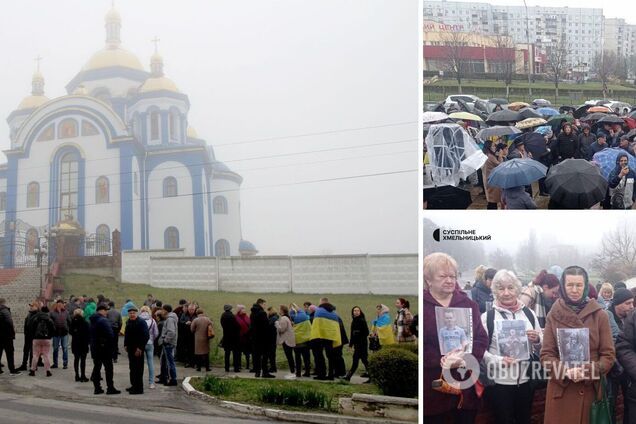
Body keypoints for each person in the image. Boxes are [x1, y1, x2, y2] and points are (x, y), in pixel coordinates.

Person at [540, 266, 615, 424]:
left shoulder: (600, 315)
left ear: (586, 285)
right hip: (561, 391)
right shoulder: (553, 314)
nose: (574, 290)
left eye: (579, 285)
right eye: (570, 285)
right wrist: (565, 371)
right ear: (563, 286)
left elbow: (608, 356)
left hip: (590, 390)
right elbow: (546, 355)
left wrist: (587, 371)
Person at [423, 253, 488, 423]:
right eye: (443, 276)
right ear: (429, 279)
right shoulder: (422, 308)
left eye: (452, 276)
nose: (449, 280)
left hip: (464, 385)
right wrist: (441, 360)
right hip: (433, 387)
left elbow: (481, 339)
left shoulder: (469, 305)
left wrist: (465, 358)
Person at [480, 270, 541, 424]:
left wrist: (537, 339)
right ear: (495, 291)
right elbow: (480, 350)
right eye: (501, 288)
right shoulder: (488, 317)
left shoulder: (529, 314)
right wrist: (498, 360)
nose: (506, 293)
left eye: (511, 288)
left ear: (517, 289)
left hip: (525, 380)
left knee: (524, 419)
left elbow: (542, 343)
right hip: (499, 383)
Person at [607, 288, 635, 423]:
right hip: (614, 370)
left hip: (628, 371)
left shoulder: (630, 317)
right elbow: (618, 344)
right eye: (627, 303)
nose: (631, 306)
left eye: (632, 303)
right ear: (617, 303)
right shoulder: (607, 317)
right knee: (611, 401)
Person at [89, 303, 120, 395]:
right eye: (106, 310)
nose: (107, 312)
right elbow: (110, 334)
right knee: (109, 368)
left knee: (97, 367)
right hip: (104, 348)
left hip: (95, 347)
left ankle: (97, 388)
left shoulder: (92, 320)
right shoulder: (103, 320)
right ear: (102, 311)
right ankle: (110, 388)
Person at [310, 297, 342, 380]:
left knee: (319, 355)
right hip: (330, 337)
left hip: (319, 336)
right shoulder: (334, 313)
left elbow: (316, 324)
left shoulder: (319, 310)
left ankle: (321, 374)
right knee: (330, 357)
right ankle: (331, 375)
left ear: (321, 302)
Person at [124, 306, 149, 395]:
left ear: (137, 313)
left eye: (133, 313)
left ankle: (139, 388)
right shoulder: (128, 322)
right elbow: (126, 334)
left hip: (138, 349)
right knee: (132, 368)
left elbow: (146, 336)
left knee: (138, 369)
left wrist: (140, 348)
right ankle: (133, 385)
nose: (132, 314)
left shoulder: (141, 322)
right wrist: (125, 344)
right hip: (130, 348)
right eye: (130, 313)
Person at [250, 298, 274, 378]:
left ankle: (257, 372)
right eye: (264, 304)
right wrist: (272, 322)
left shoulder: (252, 313)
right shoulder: (262, 313)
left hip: (255, 337)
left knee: (256, 356)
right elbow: (266, 326)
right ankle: (265, 372)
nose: (265, 306)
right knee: (265, 355)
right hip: (263, 338)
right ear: (260, 304)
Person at [344, 306, 369, 381]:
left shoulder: (362, 320)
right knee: (360, 361)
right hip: (357, 345)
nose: (356, 312)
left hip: (362, 344)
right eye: (355, 310)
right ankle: (348, 377)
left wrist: (358, 334)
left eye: (358, 310)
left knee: (362, 361)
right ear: (352, 312)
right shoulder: (354, 321)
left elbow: (366, 332)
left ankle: (348, 376)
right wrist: (351, 345)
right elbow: (352, 334)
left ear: (360, 312)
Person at [29, 305, 55, 377]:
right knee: (46, 355)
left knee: (35, 355)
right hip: (47, 339)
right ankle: (48, 371)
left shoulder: (36, 318)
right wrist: (50, 336)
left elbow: (31, 328)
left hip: (36, 338)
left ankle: (32, 370)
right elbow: (53, 329)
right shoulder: (49, 319)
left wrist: (33, 336)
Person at [482, 140, 506, 209]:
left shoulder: (488, 155)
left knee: (492, 200)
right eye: (493, 146)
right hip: (491, 181)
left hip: (489, 180)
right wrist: (500, 156)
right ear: (489, 147)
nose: (495, 147)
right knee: (492, 201)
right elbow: (500, 166)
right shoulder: (490, 156)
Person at [289, 304, 312, 378]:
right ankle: (307, 372)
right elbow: (301, 311)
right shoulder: (306, 318)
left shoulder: (294, 319)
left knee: (298, 359)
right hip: (306, 342)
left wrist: (291, 309)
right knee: (306, 358)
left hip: (297, 343)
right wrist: (295, 306)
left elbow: (292, 315)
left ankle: (298, 373)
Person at [158, 304, 178, 386]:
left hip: (168, 344)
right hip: (168, 343)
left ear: (166, 310)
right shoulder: (170, 318)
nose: (161, 312)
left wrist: (165, 340)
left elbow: (171, 332)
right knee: (166, 361)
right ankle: (166, 378)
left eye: (162, 310)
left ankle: (172, 379)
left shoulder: (170, 319)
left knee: (169, 362)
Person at [17, 301, 40, 371]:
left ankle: (33, 366)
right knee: (26, 351)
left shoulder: (38, 315)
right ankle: (24, 365)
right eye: (31, 306)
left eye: (32, 306)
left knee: (33, 352)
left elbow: (38, 327)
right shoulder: (29, 314)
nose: (31, 307)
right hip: (27, 336)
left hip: (34, 336)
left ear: (36, 307)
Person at [139, 305, 158, 389]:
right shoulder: (152, 320)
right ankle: (151, 383)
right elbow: (156, 333)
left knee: (139, 364)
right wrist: (152, 338)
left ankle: (139, 382)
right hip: (150, 343)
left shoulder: (138, 320)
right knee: (150, 363)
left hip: (140, 344)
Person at [0, 298, 20, 375]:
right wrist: (12, 334)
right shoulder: (5, 310)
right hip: (6, 336)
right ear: (4, 303)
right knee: (10, 353)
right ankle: (12, 370)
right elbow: (9, 323)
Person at [69, 308, 90, 382]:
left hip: (75, 342)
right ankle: (83, 376)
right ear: (82, 314)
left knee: (76, 359)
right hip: (83, 343)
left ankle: (77, 375)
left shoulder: (72, 322)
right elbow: (88, 333)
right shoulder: (85, 322)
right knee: (83, 360)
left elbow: (70, 332)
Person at [275, 305, 296, 376]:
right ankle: (293, 371)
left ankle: (292, 372)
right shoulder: (287, 317)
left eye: (280, 309)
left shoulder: (283, 318)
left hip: (286, 340)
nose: (279, 311)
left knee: (289, 357)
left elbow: (282, 329)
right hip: (289, 339)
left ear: (282, 311)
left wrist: (277, 324)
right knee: (290, 356)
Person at [50, 299, 71, 369]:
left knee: (65, 348)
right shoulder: (52, 313)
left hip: (64, 333)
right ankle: (55, 363)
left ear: (63, 305)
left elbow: (69, 321)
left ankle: (65, 364)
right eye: (58, 304)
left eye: (61, 304)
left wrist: (68, 329)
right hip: (55, 333)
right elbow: (50, 322)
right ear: (56, 305)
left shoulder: (66, 312)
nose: (60, 305)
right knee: (55, 349)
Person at [220, 305, 241, 373]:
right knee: (235, 354)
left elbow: (222, 325)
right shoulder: (232, 316)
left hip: (226, 337)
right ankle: (236, 368)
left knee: (227, 354)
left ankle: (227, 368)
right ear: (230, 309)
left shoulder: (222, 316)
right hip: (234, 338)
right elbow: (237, 326)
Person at [235, 305, 251, 371]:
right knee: (239, 353)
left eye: (244, 309)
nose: (244, 310)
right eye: (243, 309)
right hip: (239, 338)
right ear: (239, 310)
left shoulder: (246, 316)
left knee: (247, 353)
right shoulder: (236, 317)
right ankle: (239, 365)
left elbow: (250, 324)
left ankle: (248, 365)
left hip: (247, 338)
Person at [266, 306, 279, 373]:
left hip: (272, 338)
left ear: (271, 311)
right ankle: (273, 367)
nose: (268, 312)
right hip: (272, 338)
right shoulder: (274, 317)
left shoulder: (274, 318)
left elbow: (268, 325)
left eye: (269, 311)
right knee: (272, 354)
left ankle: (273, 368)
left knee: (271, 354)